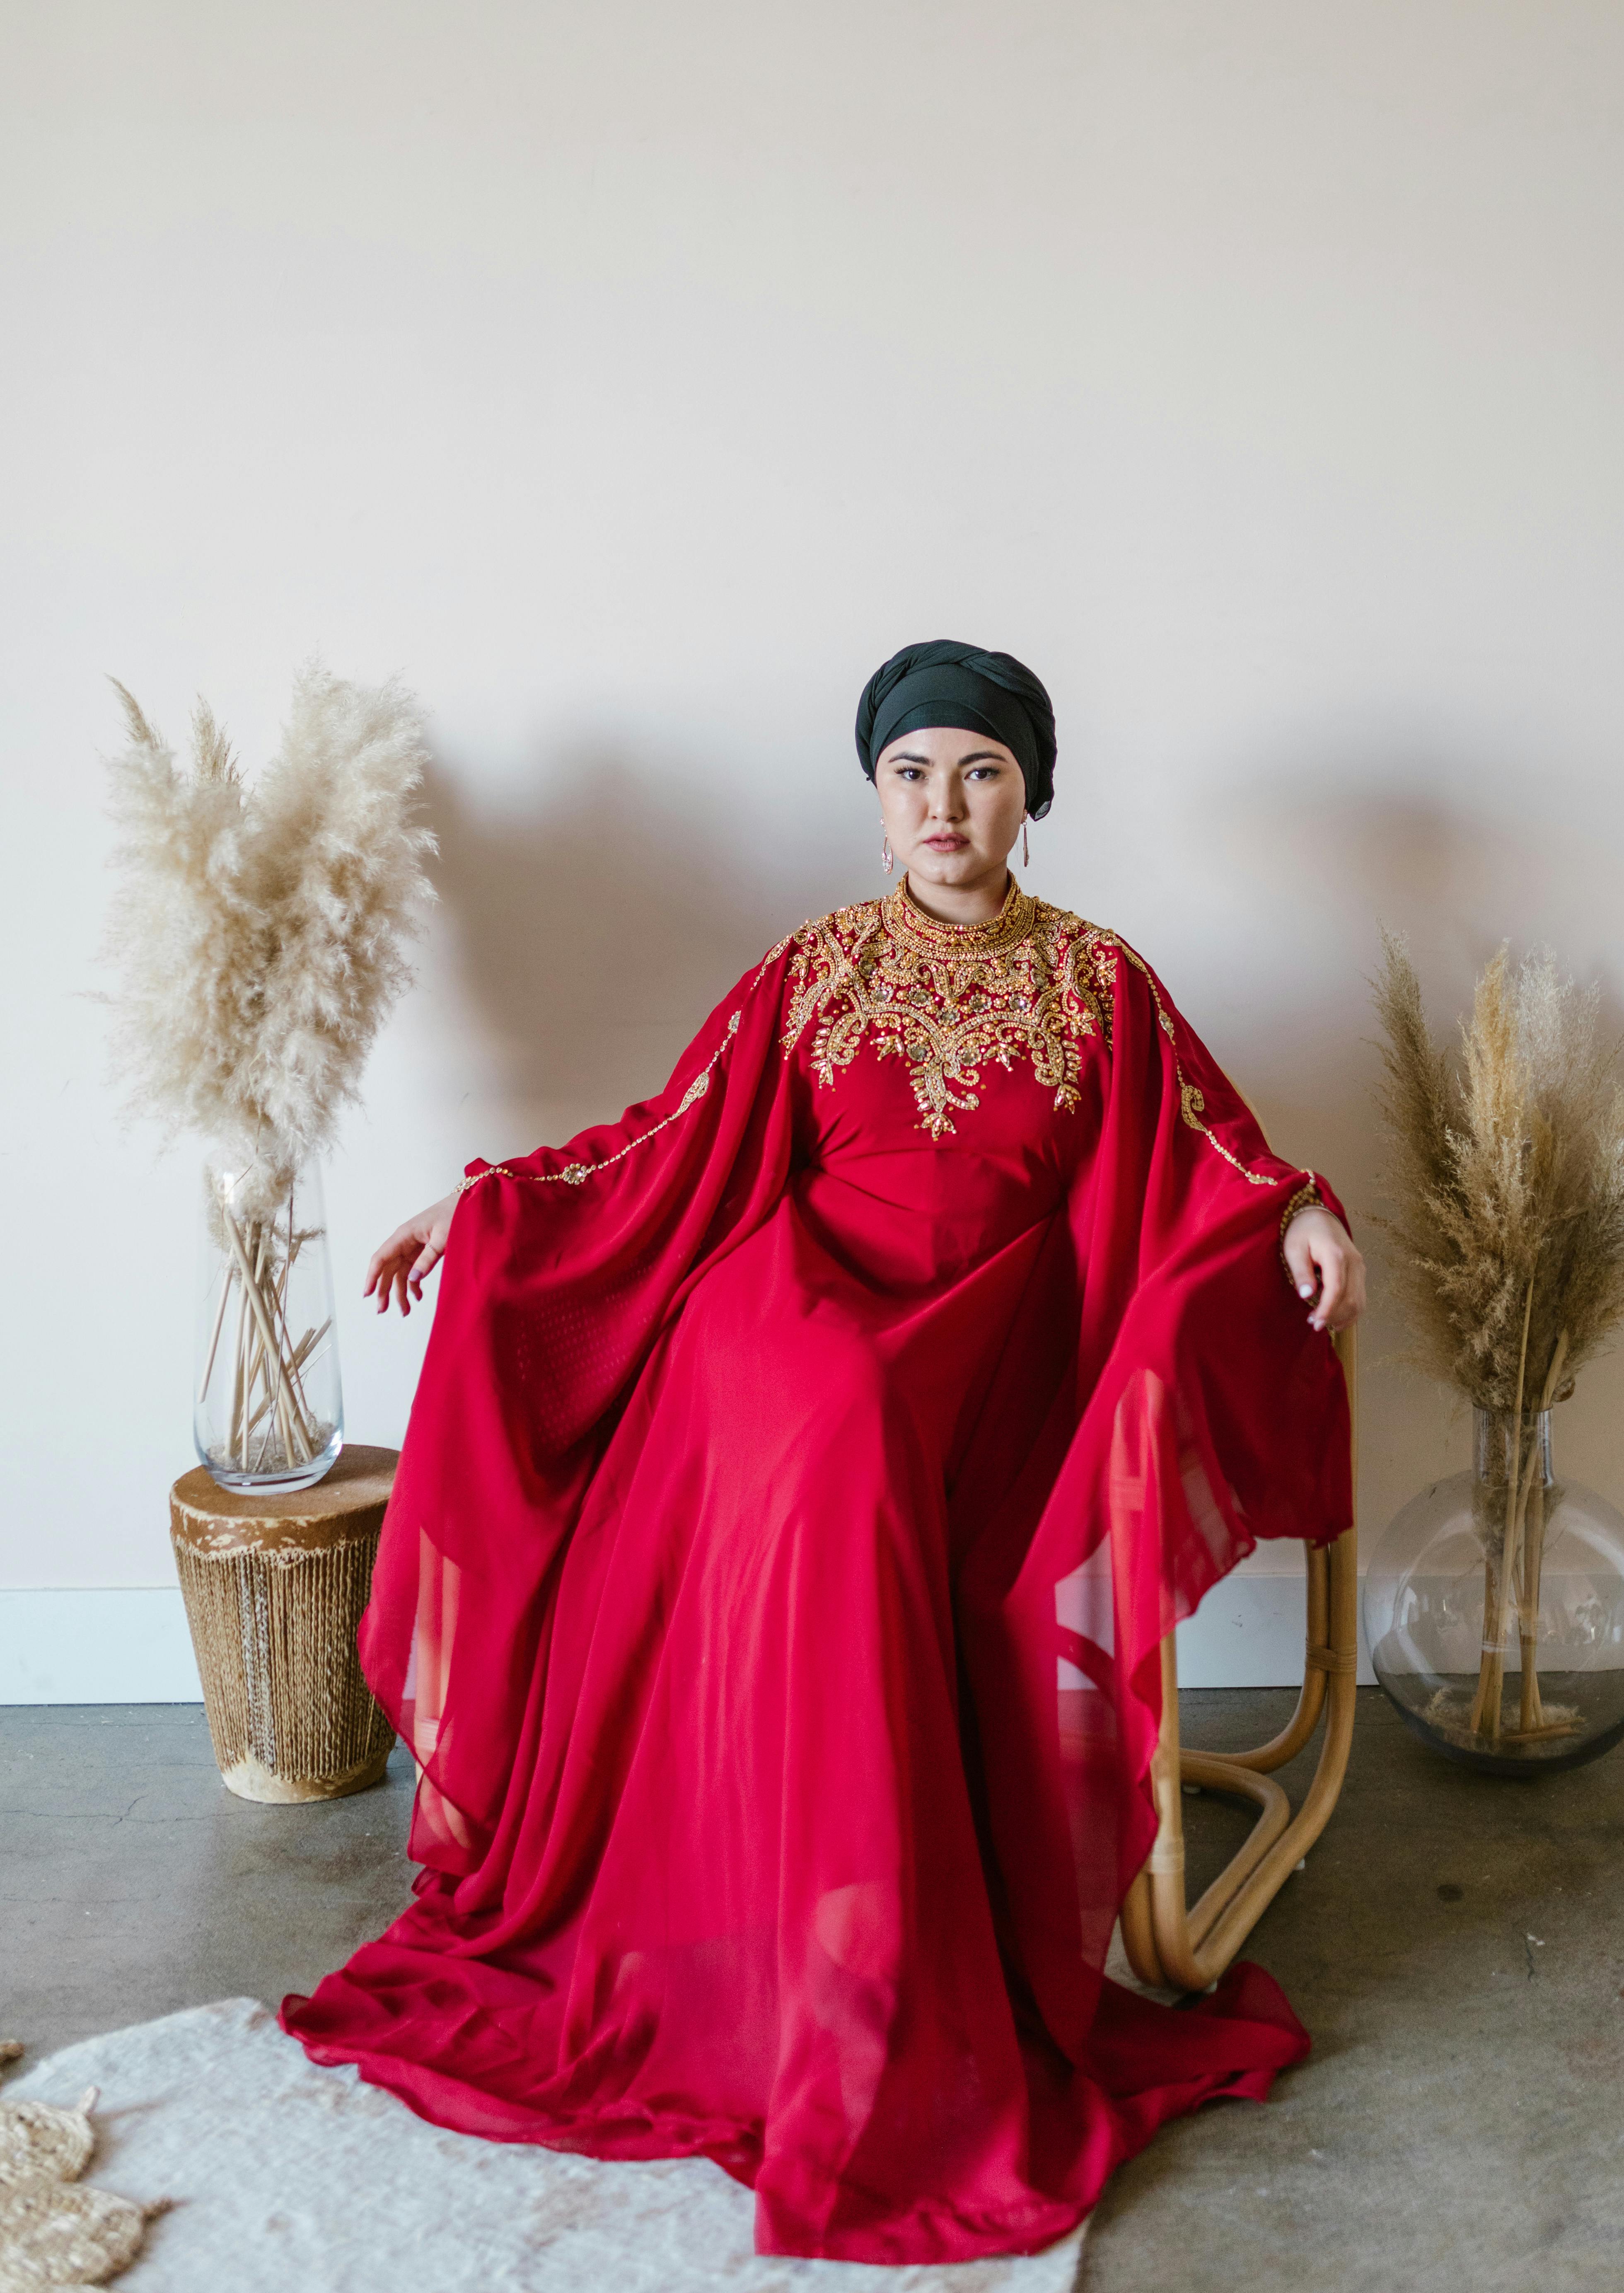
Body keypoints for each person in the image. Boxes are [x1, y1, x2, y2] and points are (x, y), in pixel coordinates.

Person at [282, 639, 1364, 2264]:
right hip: (788, 1310)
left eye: (979, 772)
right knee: (833, 1420)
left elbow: (1214, 1139)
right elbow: (662, 1139)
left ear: (1028, 800)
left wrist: (1299, 1214)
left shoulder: (1099, 980)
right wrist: (492, 1203)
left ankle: (860, 1947)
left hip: (987, 1340)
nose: (945, 803)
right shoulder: (812, 969)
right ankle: (796, 1933)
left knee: (863, 1434)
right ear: (875, 806)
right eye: (913, 773)